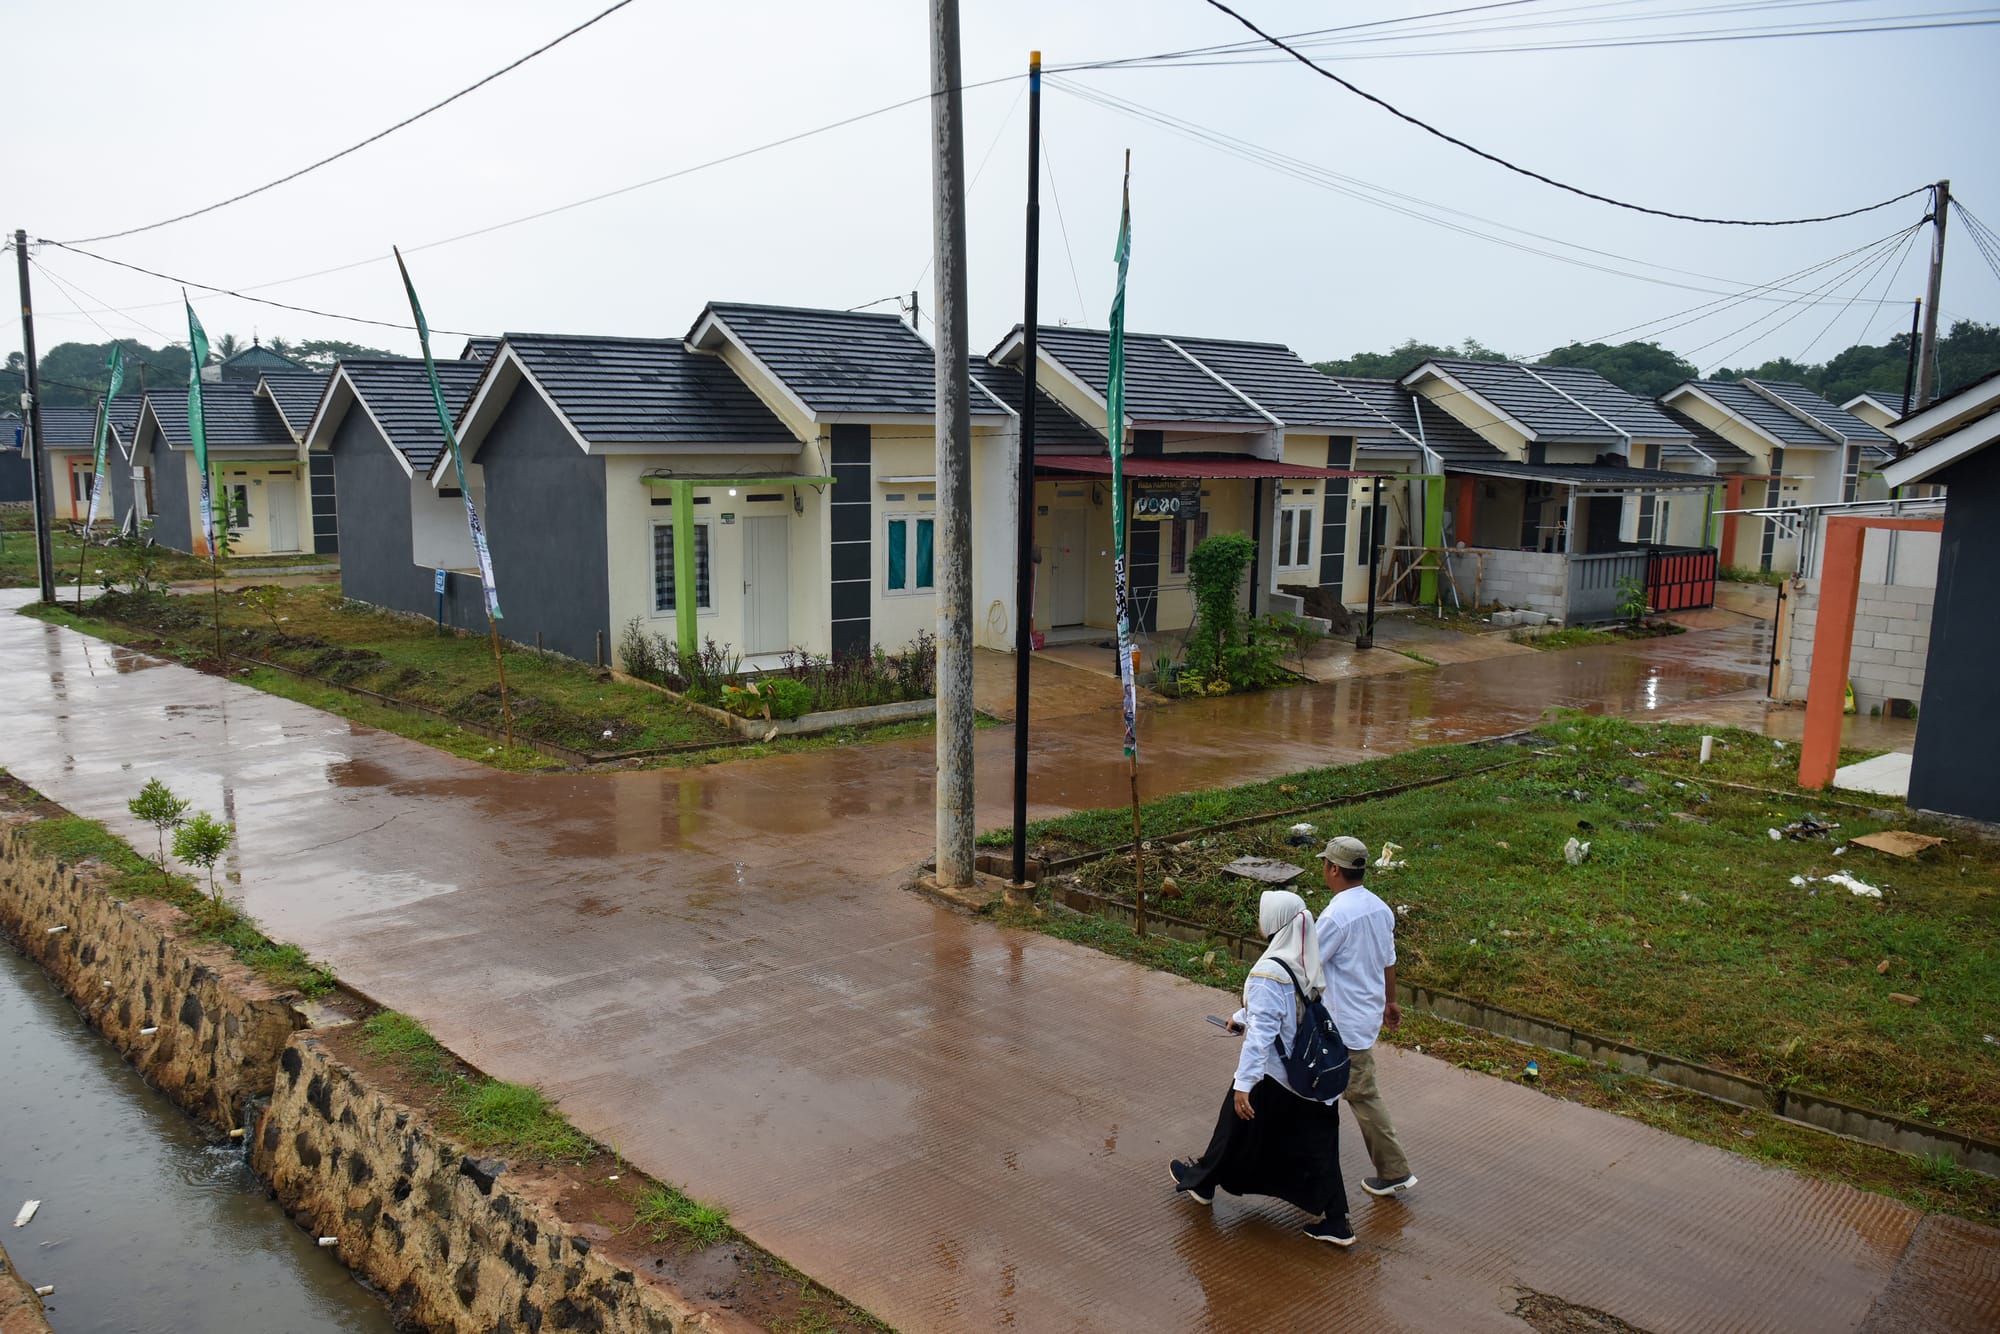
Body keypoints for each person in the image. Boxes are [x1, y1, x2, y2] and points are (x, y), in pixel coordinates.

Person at [1169, 889, 1354, 1247]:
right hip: (1310, 1076)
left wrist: (1245, 1083)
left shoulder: (1269, 971)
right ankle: (1336, 1221)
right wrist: (1241, 1016)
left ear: (1274, 922)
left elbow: (1263, 1036)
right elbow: (1285, 1011)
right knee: (1320, 1147)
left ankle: (1203, 1183)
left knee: (1234, 1124)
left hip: (1277, 1077)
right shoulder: (1304, 958)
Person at [1315, 836, 1417, 1198]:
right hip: (1366, 1014)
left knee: (1360, 1094)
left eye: (1325, 864)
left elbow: (1308, 964)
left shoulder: (1335, 916)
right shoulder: (1379, 908)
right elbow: (1389, 959)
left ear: (1334, 869)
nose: (1324, 869)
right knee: (1324, 1092)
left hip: (1342, 1025)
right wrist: (1391, 1002)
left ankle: (1394, 1170)